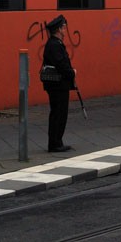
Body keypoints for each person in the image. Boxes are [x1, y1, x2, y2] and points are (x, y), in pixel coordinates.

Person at [42, 15, 76, 153]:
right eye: (63, 27)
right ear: (58, 29)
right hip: (57, 85)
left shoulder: (54, 44)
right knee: (59, 113)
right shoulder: (54, 45)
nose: (65, 30)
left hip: (57, 85)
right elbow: (61, 64)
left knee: (58, 112)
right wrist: (72, 72)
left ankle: (57, 141)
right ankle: (55, 143)